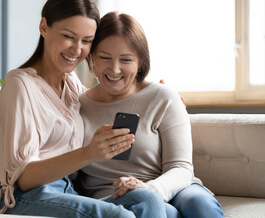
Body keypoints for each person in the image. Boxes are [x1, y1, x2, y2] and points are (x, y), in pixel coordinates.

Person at [0, 0, 168, 218]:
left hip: (67, 191)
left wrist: (154, 95)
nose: (77, 49)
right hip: (20, 197)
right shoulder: (20, 85)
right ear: (44, 27)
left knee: (147, 198)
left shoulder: (72, 85)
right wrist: (89, 153)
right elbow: (23, 178)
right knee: (120, 216)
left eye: (87, 40)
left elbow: (108, 98)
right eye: (68, 36)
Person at [78, 11, 225, 218]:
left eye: (126, 60)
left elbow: (181, 167)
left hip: (171, 187)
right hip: (114, 197)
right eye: (104, 58)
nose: (115, 69)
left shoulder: (163, 97)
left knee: (200, 205)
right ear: (92, 58)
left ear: (140, 62)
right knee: (165, 212)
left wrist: (150, 189)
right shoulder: (78, 105)